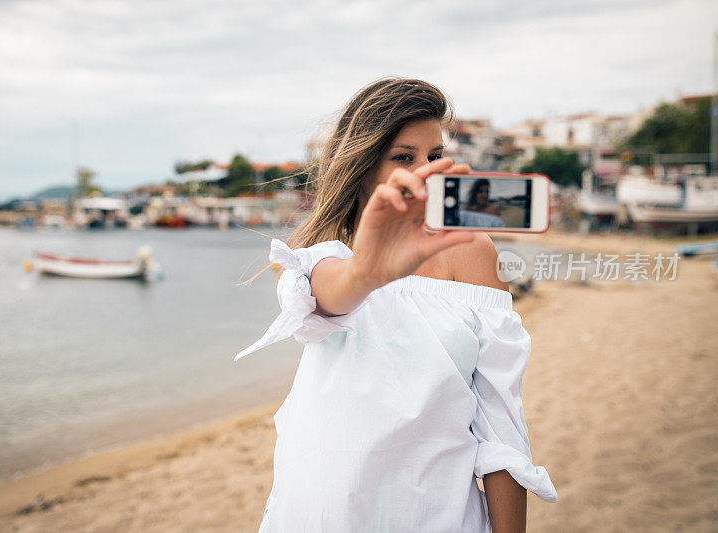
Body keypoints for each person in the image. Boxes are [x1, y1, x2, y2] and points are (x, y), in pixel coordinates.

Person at [234, 77, 557, 532]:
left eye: (435, 156)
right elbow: (333, 296)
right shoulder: (322, 256)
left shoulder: (474, 252)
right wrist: (368, 273)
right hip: (323, 512)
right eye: (403, 158)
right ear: (363, 166)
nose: (424, 171)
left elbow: (501, 428)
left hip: (439, 514)